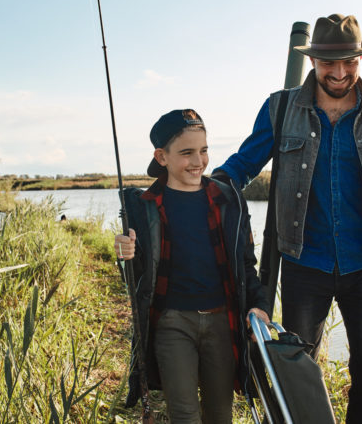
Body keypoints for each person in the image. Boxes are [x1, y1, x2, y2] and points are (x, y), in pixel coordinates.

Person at [213, 14, 362, 424]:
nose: (341, 72)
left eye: (350, 62)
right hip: (302, 263)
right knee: (299, 371)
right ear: (313, 61)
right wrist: (199, 193)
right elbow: (241, 166)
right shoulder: (280, 107)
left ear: (360, 60)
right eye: (330, 63)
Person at [114, 109, 270, 423]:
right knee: (184, 414)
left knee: (219, 413)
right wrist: (124, 255)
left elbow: (246, 266)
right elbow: (136, 280)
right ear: (162, 156)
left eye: (203, 151)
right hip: (172, 324)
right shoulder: (143, 207)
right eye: (186, 153)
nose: (198, 161)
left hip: (222, 325)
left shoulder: (229, 201)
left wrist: (260, 305)